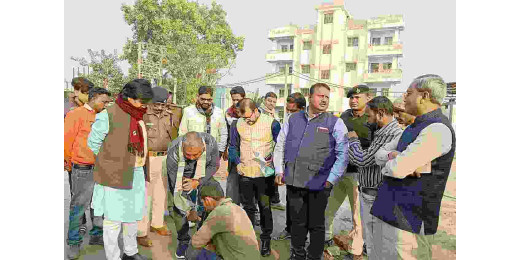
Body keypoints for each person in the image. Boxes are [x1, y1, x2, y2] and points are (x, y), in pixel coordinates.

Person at [372, 74, 456, 260]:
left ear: (424, 96)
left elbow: (398, 169)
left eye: (409, 93)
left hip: (411, 220)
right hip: (392, 213)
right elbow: (379, 156)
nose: (404, 97)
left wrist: (398, 160)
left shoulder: (437, 129)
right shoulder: (413, 128)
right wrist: (394, 157)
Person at [274, 83, 349, 260]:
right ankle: (297, 254)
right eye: (320, 96)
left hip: (320, 184)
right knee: (297, 223)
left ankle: (315, 255)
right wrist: (279, 170)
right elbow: (280, 145)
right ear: (310, 97)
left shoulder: (336, 123)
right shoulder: (292, 119)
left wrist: (331, 180)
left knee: (316, 224)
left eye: (327, 97)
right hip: (294, 181)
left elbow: (343, 155)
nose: (324, 100)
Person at [88, 79, 154, 260]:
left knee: (133, 217)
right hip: (115, 174)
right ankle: (113, 256)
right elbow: (93, 143)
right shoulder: (108, 114)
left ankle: (130, 252)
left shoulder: (140, 114)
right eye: (141, 100)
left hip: (137, 173)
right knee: (113, 220)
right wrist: (109, 162)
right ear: (128, 97)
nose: (144, 104)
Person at [346, 96, 403, 260]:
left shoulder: (390, 134)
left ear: (381, 113)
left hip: (375, 196)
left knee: (378, 244)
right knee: (373, 243)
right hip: (371, 194)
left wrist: (353, 140)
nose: (368, 119)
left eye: (369, 115)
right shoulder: (383, 132)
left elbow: (361, 160)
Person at [324, 85, 373, 257]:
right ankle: (326, 238)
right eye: (351, 97)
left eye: (357, 97)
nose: (353, 100)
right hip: (340, 171)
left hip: (359, 174)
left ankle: (356, 249)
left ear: (368, 98)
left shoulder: (372, 118)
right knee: (329, 208)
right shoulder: (344, 116)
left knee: (357, 215)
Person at [228, 98, 281, 256]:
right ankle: (249, 239)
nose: (247, 121)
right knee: (248, 207)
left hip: (264, 173)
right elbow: (233, 146)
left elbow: (280, 146)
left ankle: (266, 240)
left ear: (256, 110)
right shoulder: (237, 124)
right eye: (244, 118)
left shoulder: (272, 123)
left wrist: (275, 164)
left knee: (265, 207)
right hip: (245, 171)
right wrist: (237, 163)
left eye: (249, 117)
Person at [64, 87, 111, 259]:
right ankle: (74, 242)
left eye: (108, 102)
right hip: (82, 168)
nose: (106, 105)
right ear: (92, 98)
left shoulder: (105, 116)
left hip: (101, 168)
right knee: (78, 206)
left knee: (98, 205)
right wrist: (68, 164)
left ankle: (96, 236)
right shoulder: (75, 114)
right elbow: (66, 140)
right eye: (103, 101)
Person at [166, 131, 220, 259]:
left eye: (195, 154)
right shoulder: (173, 150)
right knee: (178, 208)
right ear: (182, 148)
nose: (191, 158)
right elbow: (175, 184)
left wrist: (198, 182)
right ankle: (183, 241)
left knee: (209, 201)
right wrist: (188, 208)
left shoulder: (211, 142)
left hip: (203, 174)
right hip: (181, 175)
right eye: (187, 155)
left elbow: (214, 165)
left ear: (203, 147)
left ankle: (202, 239)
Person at [136, 87, 177, 247]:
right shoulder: (143, 115)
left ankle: (157, 223)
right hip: (148, 159)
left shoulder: (170, 116)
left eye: (162, 104)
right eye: (156, 104)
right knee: (145, 196)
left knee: (161, 193)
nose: (160, 107)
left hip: (165, 158)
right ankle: (141, 232)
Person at [187, 177, 260, 260]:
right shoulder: (237, 208)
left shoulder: (218, 213)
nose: (203, 206)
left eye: (203, 203)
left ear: (207, 200)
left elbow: (196, 242)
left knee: (193, 251)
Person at [273, 92, 306, 241]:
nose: (289, 112)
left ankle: (302, 234)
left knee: (304, 204)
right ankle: (289, 230)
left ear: (302, 108)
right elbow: (280, 145)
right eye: (288, 109)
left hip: (306, 170)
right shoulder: (288, 120)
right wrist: (279, 170)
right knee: (291, 201)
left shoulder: (309, 122)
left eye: (293, 109)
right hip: (290, 168)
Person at [178, 86, 227, 160]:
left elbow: (223, 133)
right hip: (192, 153)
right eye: (203, 99)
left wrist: (220, 151)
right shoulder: (188, 111)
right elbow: (182, 132)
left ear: (212, 98)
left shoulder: (219, 112)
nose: (206, 102)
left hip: (212, 153)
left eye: (209, 99)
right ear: (198, 96)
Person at [224, 86, 246, 205]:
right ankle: (232, 211)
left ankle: (253, 216)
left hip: (249, 154)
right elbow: (226, 132)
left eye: (238, 99)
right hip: (234, 152)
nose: (235, 102)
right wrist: (226, 149)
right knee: (232, 184)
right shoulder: (229, 113)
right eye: (233, 100)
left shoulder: (252, 112)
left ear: (244, 97)